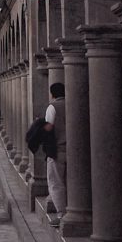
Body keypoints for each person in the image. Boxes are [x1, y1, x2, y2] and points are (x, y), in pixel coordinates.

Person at [43, 82, 67, 225]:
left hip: (58, 149)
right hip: (75, 150)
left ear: (52, 94)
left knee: (55, 182)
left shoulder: (53, 107)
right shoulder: (73, 103)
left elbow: (49, 128)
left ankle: (62, 214)